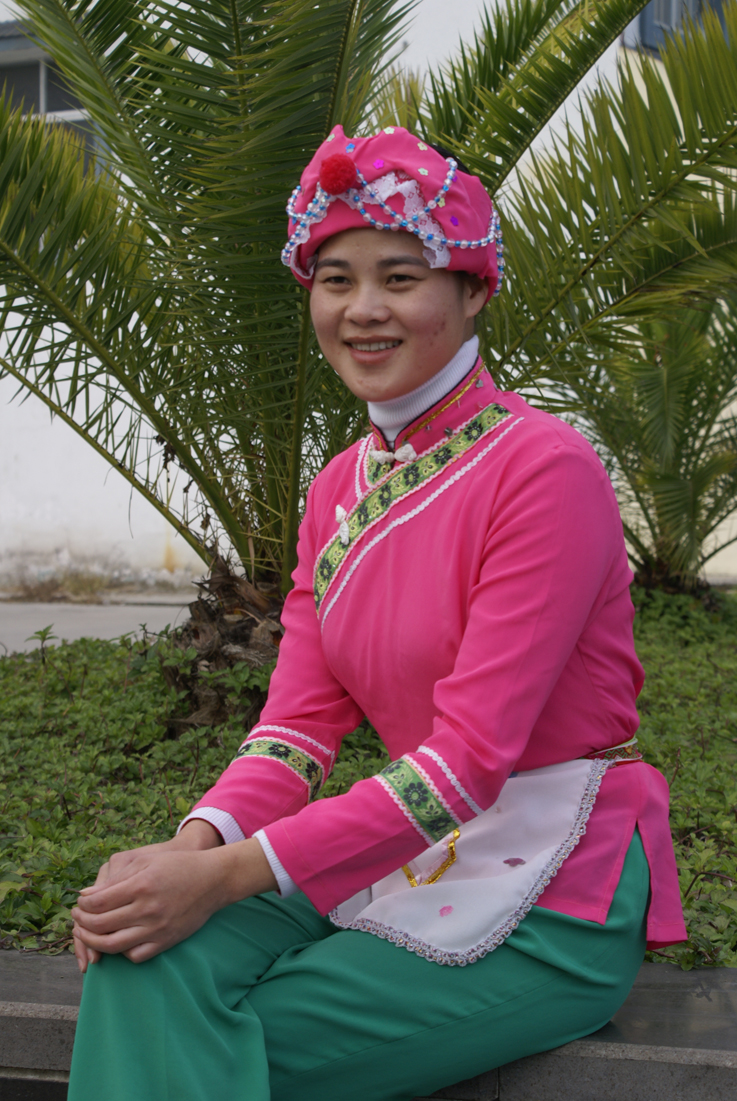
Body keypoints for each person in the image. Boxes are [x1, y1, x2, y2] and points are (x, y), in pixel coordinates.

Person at [68, 125, 686, 1101]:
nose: (361, 309)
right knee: (141, 953)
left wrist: (225, 880)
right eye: (334, 279)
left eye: (400, 278)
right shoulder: (336, 491)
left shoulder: (543, 471)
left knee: (205, 1049)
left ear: (472, 290)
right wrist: (189, 853)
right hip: (396, 851)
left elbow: (469, 760)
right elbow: (295, 726)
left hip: (550, 884)